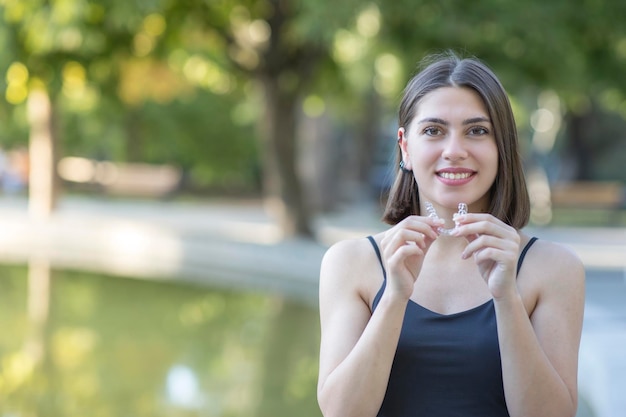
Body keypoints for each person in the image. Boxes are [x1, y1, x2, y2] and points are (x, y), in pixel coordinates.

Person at [316, 51, 585, 417]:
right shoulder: (350, 262)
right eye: (433, 131)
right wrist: (395, 297)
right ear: (405, 147)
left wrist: (507, 298)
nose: (455, 151)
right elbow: (342, 413)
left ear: (501, 147)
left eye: (477, 131)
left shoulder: (554, 268)